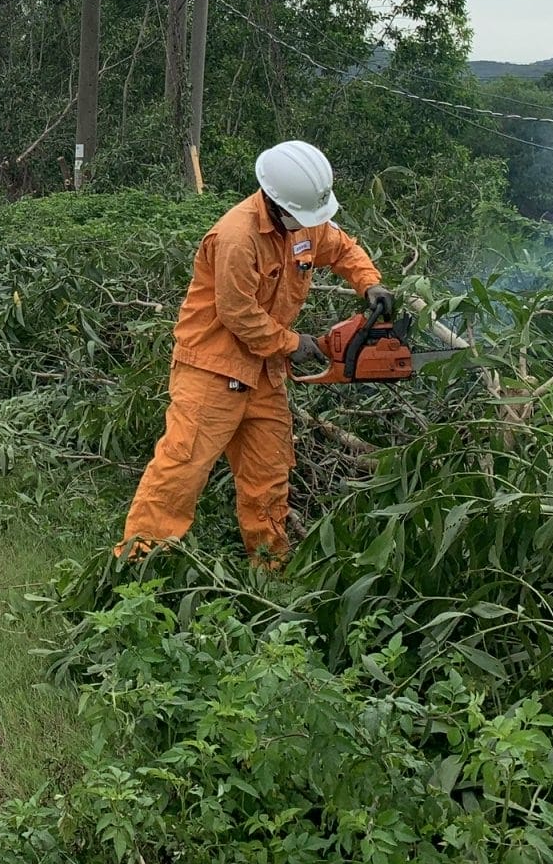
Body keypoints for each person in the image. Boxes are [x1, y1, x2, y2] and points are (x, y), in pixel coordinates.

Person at [115, 140, 394, 566]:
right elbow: (238, 313)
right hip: (211, 367)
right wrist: (293, 343)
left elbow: (341, 247)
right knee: (181, 470)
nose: (307, 224)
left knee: (270, 473)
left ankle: (269, 568)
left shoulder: (304, 222)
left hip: (264, 372)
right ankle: (136, 566)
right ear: (274, 199)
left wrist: (369, 282)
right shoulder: (237, 235)